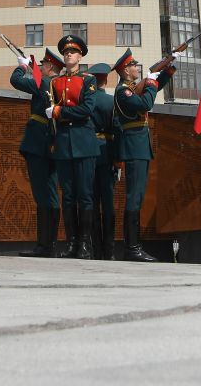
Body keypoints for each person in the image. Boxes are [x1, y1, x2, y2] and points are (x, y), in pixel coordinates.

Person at [45, 34, 105, 258]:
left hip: (84, 141)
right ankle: (71, 244)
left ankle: (85, 244)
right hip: (63, 142)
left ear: (80, 56)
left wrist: (60, 112)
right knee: (68, 195)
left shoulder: (88, 80)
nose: (69, 54)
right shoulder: (54, 82)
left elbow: (87, 109)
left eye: (73, 52)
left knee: (85, 195)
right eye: (66, 52)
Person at [110, 48, 171, 261]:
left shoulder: (132, 88)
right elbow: (146, 102)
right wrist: (152, 83)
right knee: (134, 198)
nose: (137, 68)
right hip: (134, 147)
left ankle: (134, 247)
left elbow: (149, 89)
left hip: (140, 147)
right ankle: (132, 248)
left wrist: (167, 70)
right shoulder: (122, 91)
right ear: (126, 70)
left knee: (138, 197)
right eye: (134, 65)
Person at [9, 48, 62, 256]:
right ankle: (49, 244)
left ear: (49, 67)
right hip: (52, 144)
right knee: (50, 194)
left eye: (42, 65)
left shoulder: (45, 82)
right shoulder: (57, 85)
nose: (39, 67)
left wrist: (22, 66)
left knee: (43, 195)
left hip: (38, 143)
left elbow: (16, 80)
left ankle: (45, 246)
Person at [90, 60, 119, 259]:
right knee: (108, 204)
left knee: (91, 202)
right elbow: (117, 130)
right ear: (106, 80)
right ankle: (109, 251)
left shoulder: (88, 101)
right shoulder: (111, 102)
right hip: (107, 153)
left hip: (90, 154)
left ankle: (95, 250)